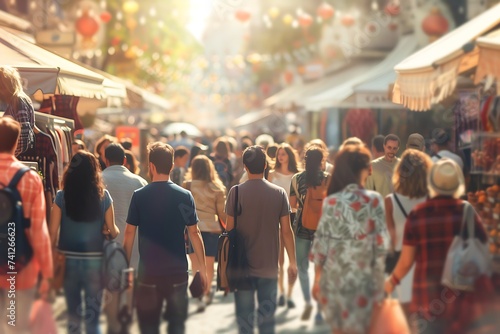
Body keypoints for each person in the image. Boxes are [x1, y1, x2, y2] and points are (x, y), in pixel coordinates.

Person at [384, 159, 487, 333]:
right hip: (461, 298)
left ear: (431, 183)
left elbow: (406, 261)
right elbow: (484, 249)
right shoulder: (467, 210)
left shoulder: (418, 214)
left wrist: (391, 282)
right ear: (458, 184)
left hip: (427, 301)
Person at [123, 142, 207, 334]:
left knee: (148, 325)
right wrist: (201, 269)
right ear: (171, 166)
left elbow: (129, 233)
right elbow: (194, 233)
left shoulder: (139, 196)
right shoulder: (185, 196)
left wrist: (125, 267)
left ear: (151, 166)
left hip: (148, 273)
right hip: (177, 271)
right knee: (177, 325)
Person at [311, 145, 389, 334]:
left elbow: (321, 246)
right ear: (363, 169)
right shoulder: (375, 200)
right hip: (366, 281)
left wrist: (317, 280)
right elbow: (382, 246)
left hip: (336, 280)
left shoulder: (331, 201)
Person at [226, 145, 297, 334]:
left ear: (245, 167)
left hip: (242, 267)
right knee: (267, 322)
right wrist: (293, 262)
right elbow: (286, 231)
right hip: (269, 266)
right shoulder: (278, 193)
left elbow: (229, 229)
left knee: (244, 322)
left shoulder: (236, 192)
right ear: (266, 165)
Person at [49, 151, 120, 334]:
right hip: (95, 262)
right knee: (92, 317)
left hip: (68, 261)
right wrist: (106, 229)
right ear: (94, 172)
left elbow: (51, 233)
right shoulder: (104, 196)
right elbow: (113, 231)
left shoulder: (60, 197)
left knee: (73, 315)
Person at [0, 118, 53, 334]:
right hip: (20, 269)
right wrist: (47, 273)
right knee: (16, 327)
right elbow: (38, 230)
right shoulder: (30, 178)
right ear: (16, 143)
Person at [101, 144, 147, 333]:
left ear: (105, 159)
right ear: (125, 160)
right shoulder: (139, 182)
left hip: (106, 244)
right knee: (129, 283)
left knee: (109, 286)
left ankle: (113, 321)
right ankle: (126, 318)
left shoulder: (98, 180)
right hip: (134, 243)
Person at [384, 149, 432, 315]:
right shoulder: (431, 200)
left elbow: (391, 238)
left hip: (400, 265)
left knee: (406, 319)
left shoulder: (390, 201)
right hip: (427, 264)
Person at [289, 146, 330, 323]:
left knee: (303, 268)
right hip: (324, 229)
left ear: (305, 159)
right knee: (320, 269)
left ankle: (307, 303)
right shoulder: (329, 179)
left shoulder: (297, 179)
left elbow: (292, 204)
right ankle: (320, 309)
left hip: (302, 227)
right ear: (322, 160)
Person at [183, 155, 226, 311]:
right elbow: (222, 214)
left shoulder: (187, 186)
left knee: (195, 264)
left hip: (194, 228)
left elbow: (184, 210)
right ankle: (207, 291)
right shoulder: (217, 188)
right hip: (212, 229)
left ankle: (199, 292)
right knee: (209, 264)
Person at [268, 143, 300, 309]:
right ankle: (281, 292)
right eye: (279, 154)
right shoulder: (271, 175)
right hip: (274, 216)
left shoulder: (296, 175)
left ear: (290, 156)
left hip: (292, 217)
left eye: (284, 154)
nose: (280, 156)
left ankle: (289, 293)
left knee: (292, 259)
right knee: (279, 259)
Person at [0, 66, 35, 156]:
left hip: (15, 158)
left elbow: (23, 136)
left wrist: (9, 156)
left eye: (2, 84)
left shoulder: (18, 100)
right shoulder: (17, 100)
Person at [365, 134, 401, 198]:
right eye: (389, 147)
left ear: (398, 149)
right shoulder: (373, 165)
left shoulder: (402, 165)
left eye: (394, 148)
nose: (391, 151)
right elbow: (368, 192)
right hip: (380, 207)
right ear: (384, 146)